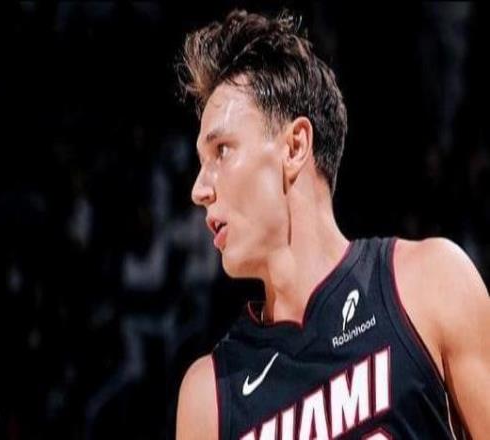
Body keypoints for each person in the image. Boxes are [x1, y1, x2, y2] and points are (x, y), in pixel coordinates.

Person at [175, 9, 490, 440]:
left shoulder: (430, 283)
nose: (199, 189)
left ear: (295, 147)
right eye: (201, 162)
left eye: (222, 151)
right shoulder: (208, 398)